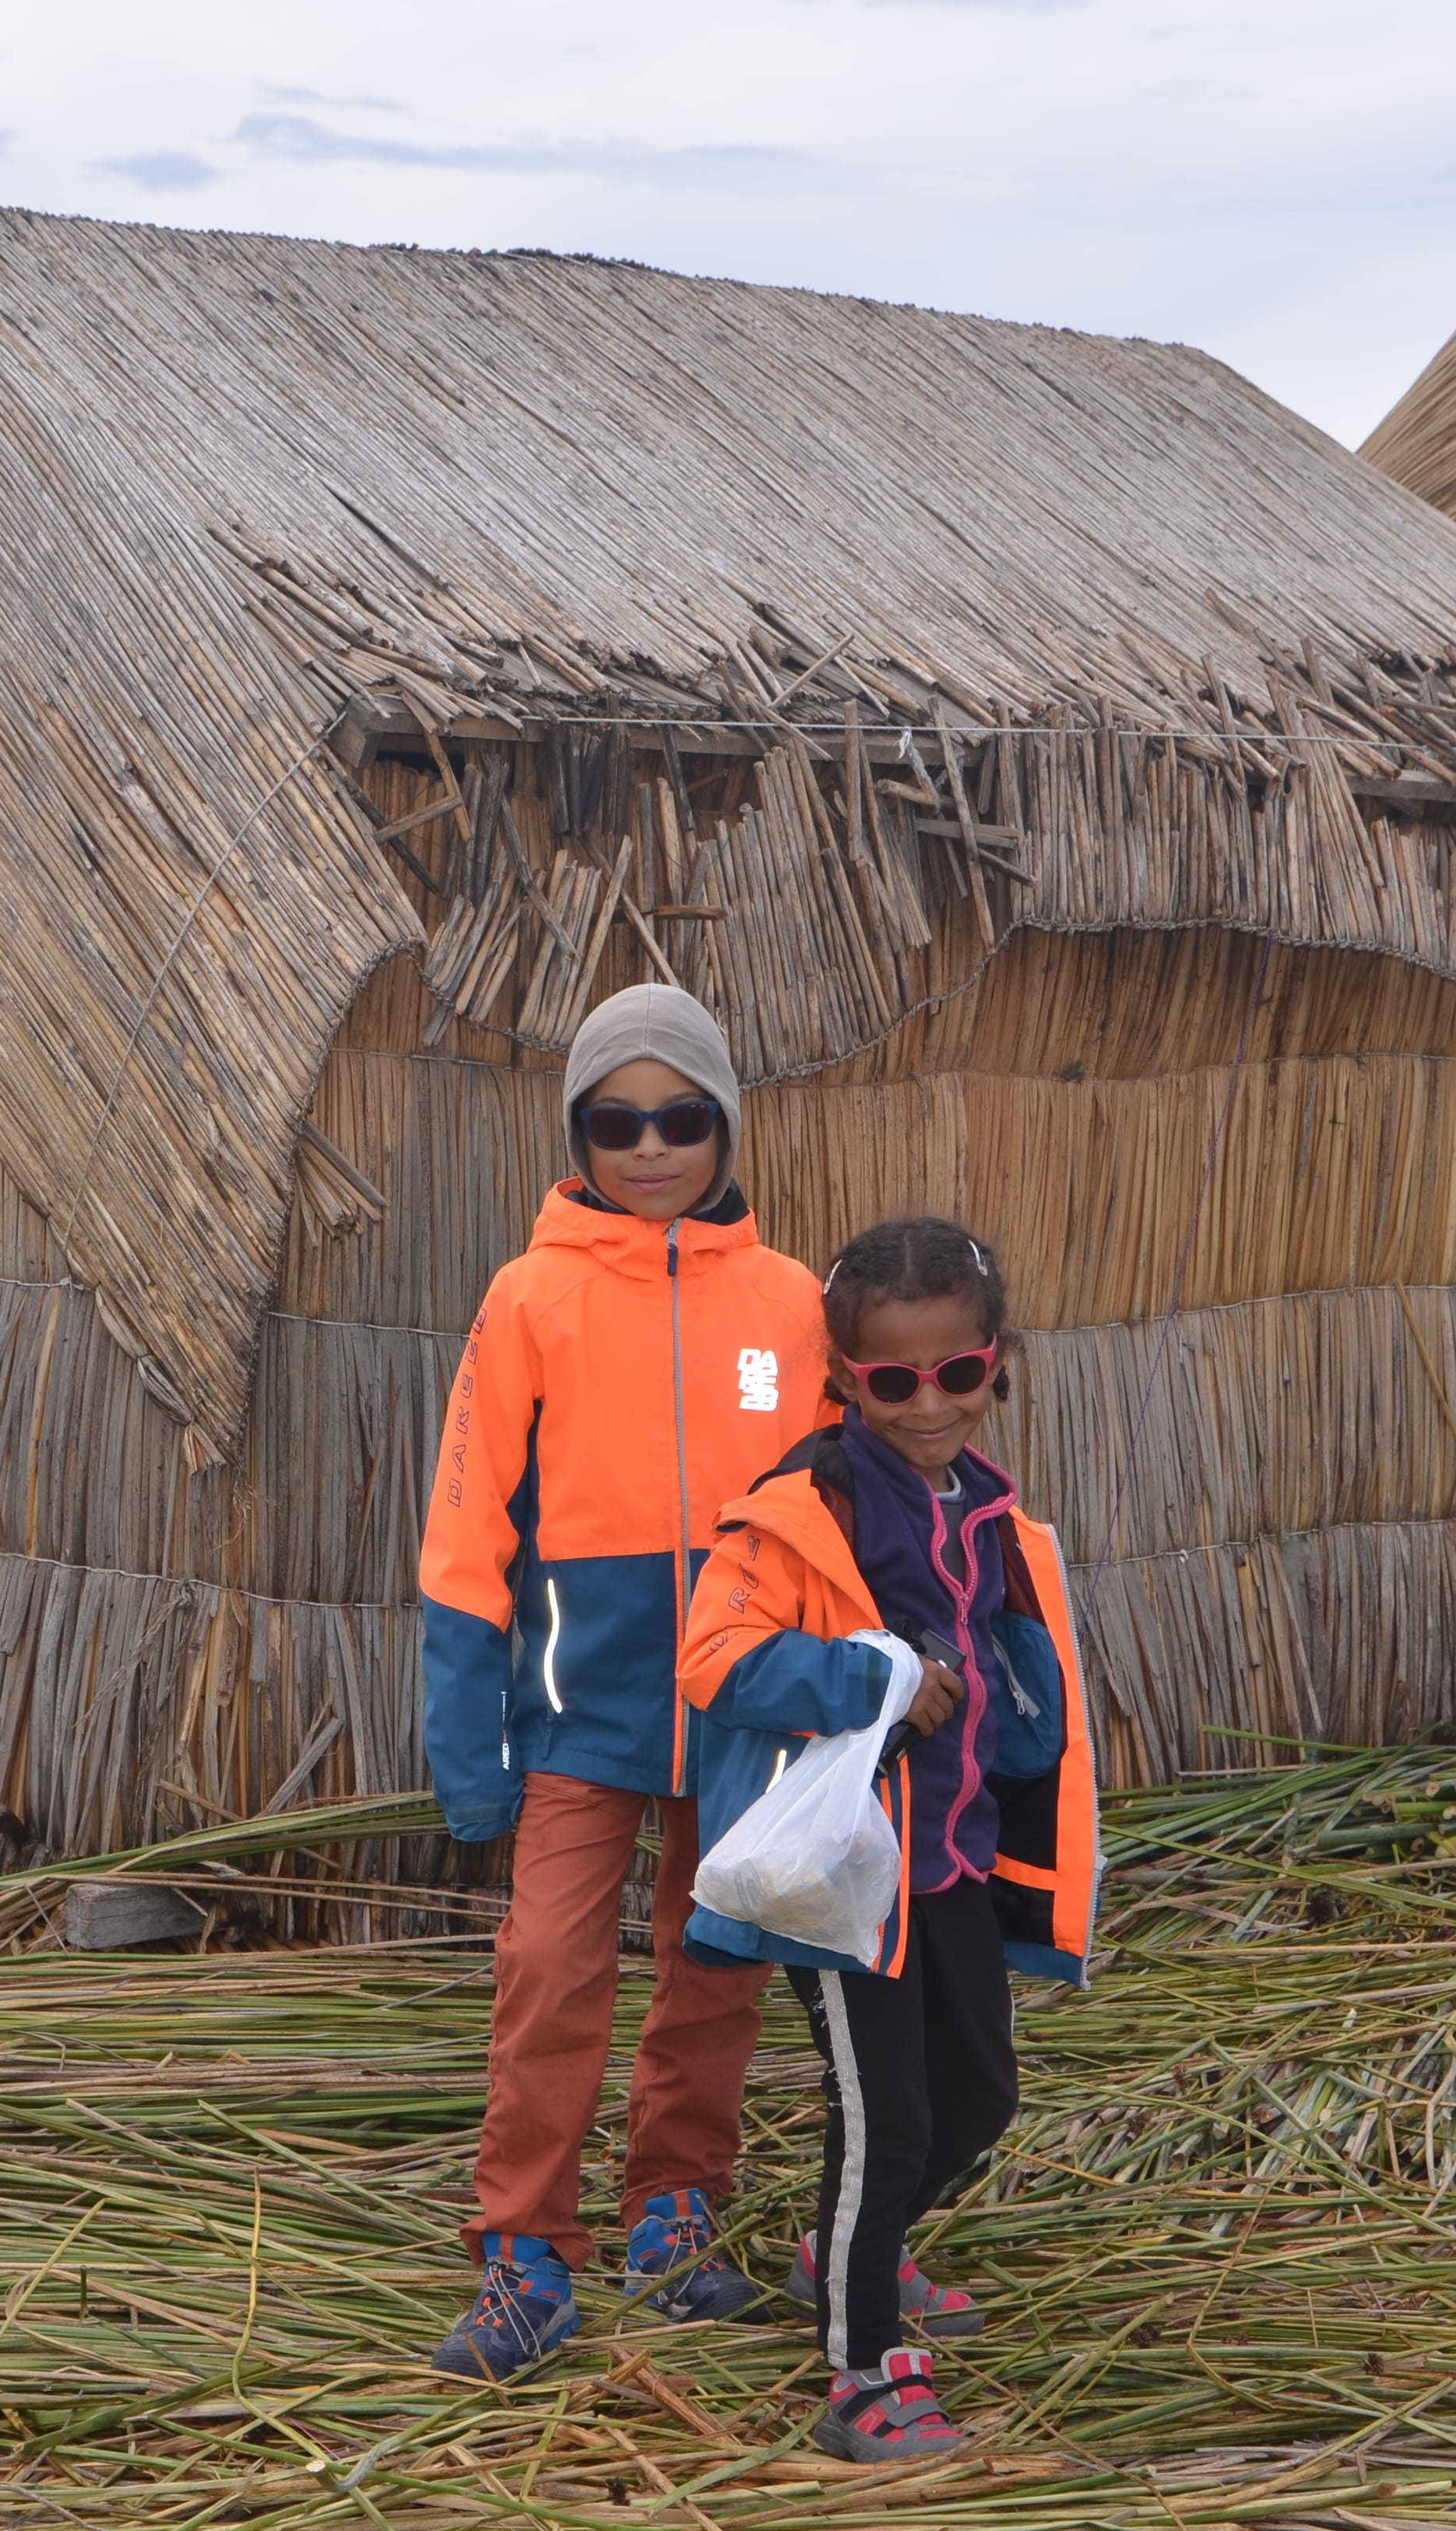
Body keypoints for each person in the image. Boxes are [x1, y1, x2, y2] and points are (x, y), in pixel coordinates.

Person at [417, 981, 836, 2380]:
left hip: (743, 1709)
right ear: (578, 1135)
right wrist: (470, 1748)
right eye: (617, 1122)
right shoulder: (528, 1297)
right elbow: (466, 1532)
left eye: (682, 1118)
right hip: (577, 1713)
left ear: (726, 1126)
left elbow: (838, 1510)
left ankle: (675, 2213)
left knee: (719, 1965)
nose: (651, 1147)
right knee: (548, 1967)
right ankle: (526, 2251)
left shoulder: (790, 1302)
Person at [672, 1215, 1099, 2463]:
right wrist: (876, 1679)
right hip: (848, 1884)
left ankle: (844, 2249)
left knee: (982, 2098)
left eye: (957, 1372)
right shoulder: (802, 1511)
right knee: (887, 2124)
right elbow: (712, 1660)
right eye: (893, 1382)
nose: (929, 1404)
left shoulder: (989, 1513)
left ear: (995, 1360)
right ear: (845, 1379)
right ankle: (861, 2375)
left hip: (953, 1859)